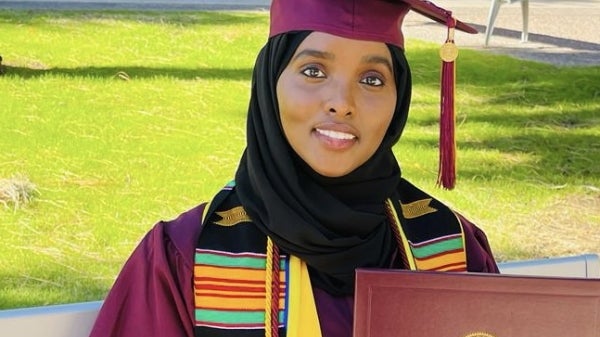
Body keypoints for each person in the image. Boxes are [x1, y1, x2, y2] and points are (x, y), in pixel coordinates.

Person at [89, 0, 499, 336]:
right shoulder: (184, 258)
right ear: (270, 84)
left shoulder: (451, 248)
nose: (342, 101)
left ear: (400, 99)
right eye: (313, 70)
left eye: (373, 79)